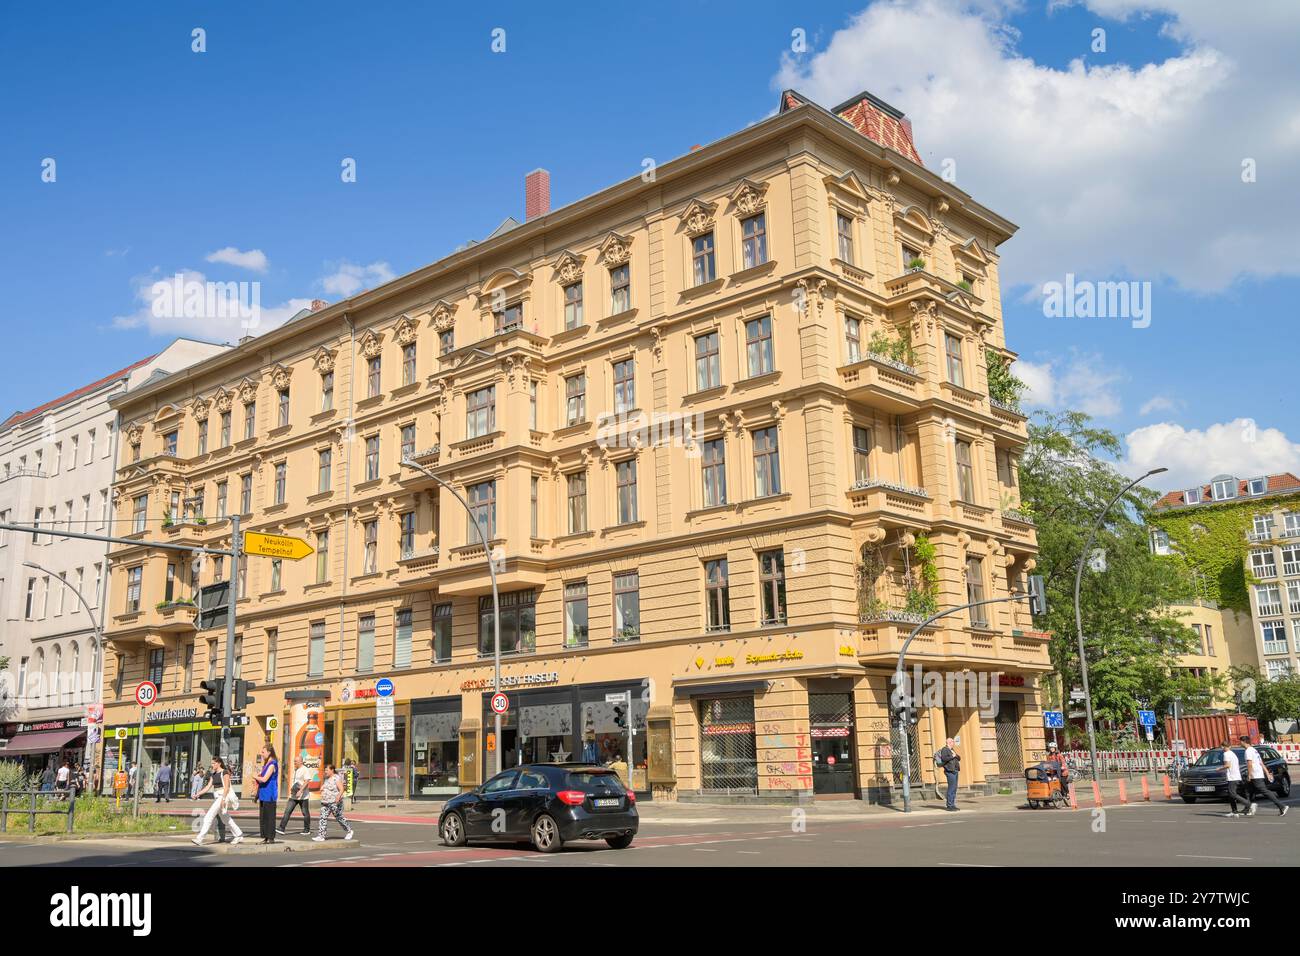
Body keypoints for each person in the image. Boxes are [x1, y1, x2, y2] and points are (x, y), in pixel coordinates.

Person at [192, 757, 244, 846]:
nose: (212, 765)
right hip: (217, 797)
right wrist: (197, 794)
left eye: (213, 763)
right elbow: (208, 787)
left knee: (209, 816)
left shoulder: (225, 772)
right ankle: (238, 835)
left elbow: (227, 788)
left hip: (222, 797)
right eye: (212, 763)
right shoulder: (214, 774)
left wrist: (223, 799)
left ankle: (200, 838)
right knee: (226, 819)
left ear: (219, 763)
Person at [1241, 736, 1287, 817]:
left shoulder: (1248, 751)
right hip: (1257, 774)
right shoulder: (1254, 750)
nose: (1240, 743)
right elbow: (1261, 762)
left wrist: (1249, 774)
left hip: (1255, 775)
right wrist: (1267, 773)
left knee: (1264, 791)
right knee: (1248, 791)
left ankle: (1281, 806)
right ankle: (1248, 808)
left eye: (1240, 741)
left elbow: (1249, 764)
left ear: (1244, 742)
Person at [313, 763, 354, 842]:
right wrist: (322, 788)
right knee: (323, 818)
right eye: (325, 770)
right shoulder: (327, 778)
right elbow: (325, 787)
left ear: (332, 770)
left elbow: (341, 789)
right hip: (325, 802)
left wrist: (338, 797)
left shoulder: (336, 778)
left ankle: (349, 831)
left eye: (327, 770)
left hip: (334, 802)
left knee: (339, 818)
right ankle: (321, 836)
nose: (325, 771)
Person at [251, 744, 280, 844]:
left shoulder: (272, 764)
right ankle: (266, 837)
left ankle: (271, 838)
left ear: (269, 752)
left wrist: (255, 776)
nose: (261, 754)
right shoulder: (267, 763)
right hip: (263, 794)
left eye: (263, 752)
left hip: (270, 794)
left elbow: (264, 779)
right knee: (263, 817)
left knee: (270, 817)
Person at [277, 757, 313, 835]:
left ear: (301, 761)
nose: (294, 763)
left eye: (296, 761)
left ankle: (307, 830)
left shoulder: (305, 769)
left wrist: (300, 791)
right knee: (287, 811)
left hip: (303, 796)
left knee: (305, 812)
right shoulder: (295, 770)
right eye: (294, 761)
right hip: (293, 796)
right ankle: (281, 828)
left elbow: (307, 781)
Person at [1220, 739, 1245, 818]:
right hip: (1236, 776)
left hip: (1232, 777)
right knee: (1231, 795)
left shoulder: (1226, 754)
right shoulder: (1232, 753)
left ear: (1223, 747)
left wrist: (1219, 769)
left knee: (1232, 794)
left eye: (1223, 746)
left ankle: (1248, 804)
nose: (1222, 748)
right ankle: (1234, 811)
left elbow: (1227, 765)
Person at [935, 737, 961, 811]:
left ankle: (952, 804)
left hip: (955, 770)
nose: (954, 743)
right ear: (949, 743)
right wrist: (952, 756)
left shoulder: (952, 750)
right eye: (952, 742)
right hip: (949, 771)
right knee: (951, 788)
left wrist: (955, 755)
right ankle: (949, 805)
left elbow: (959, 758)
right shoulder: (945, 749)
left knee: (954, 788)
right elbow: (944, 758)